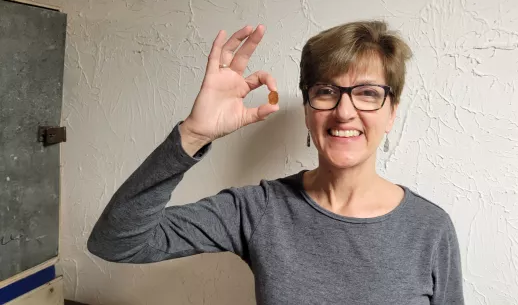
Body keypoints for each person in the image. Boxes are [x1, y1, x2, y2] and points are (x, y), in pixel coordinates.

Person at [87, 20, 464, 304]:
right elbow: (116, 243)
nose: (344, 111)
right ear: (307, 109)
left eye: (367, 93)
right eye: (326, 91)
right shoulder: (260, 209)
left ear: (392, 112)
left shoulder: (430, 229)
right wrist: (193, 134)